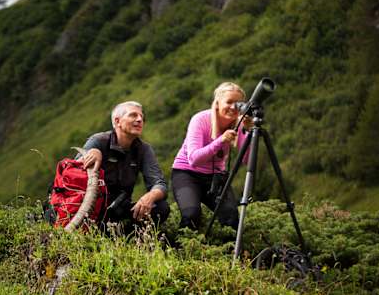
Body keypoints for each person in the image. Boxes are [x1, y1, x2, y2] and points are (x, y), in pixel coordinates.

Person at [171, 82, 251, 231]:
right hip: (187, 174)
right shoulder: (200, 119)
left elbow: (247, 159)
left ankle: (226, 251)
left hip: (215, 176)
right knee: (191, 215)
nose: (233, 107)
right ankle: (182, 250)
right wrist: (221, 141)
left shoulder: (238, 125)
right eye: (229, 102)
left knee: (231, 218)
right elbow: (194, 159)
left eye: (238, 104)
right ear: (217, 103)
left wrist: (247, 131)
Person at [80, 101, 169, 230]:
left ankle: (132, 240)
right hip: (91, 210)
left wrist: (150, 196)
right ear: (117, 121)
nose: (139, 119)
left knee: (161, 207)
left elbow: (159, 183)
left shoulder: (143, 149)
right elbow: (72, 173)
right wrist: (92, 154)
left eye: (141, 117)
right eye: (133, 115)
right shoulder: (98, 141)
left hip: (119, 209)